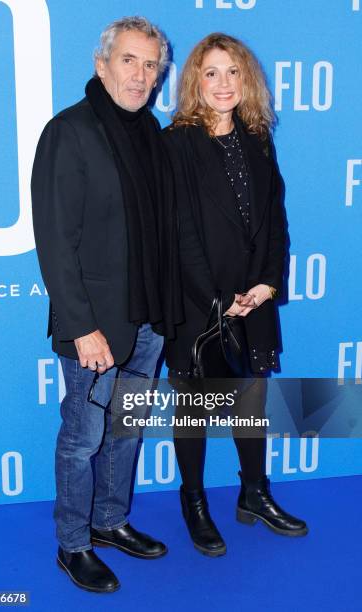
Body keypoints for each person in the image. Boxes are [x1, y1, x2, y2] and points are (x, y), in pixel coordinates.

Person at [31, 16, 182, 593]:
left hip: (147, 320)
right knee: (83, 436)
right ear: (101, 64)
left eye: (151, 66)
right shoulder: (68, 132)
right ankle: (73, 544)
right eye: (129, 60)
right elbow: (55, 241)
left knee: (126, 432)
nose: (141, 75)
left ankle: (111, 521)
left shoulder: (151, 135)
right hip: (93, 326)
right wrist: (82, 327)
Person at [163, 33, 308, 557]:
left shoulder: (258, 137)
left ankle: (254, 493)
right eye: (211, 73)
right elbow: (178, 233)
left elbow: (274, 221)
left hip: (254, 297)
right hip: (198, 303)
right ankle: (194, 502)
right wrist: (219, 298)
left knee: (250, 399)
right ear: (195, 83)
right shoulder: (175, 143)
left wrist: (267, 284)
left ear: (246, 79)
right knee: (196, 409)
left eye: (233, 72)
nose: (223, 83)